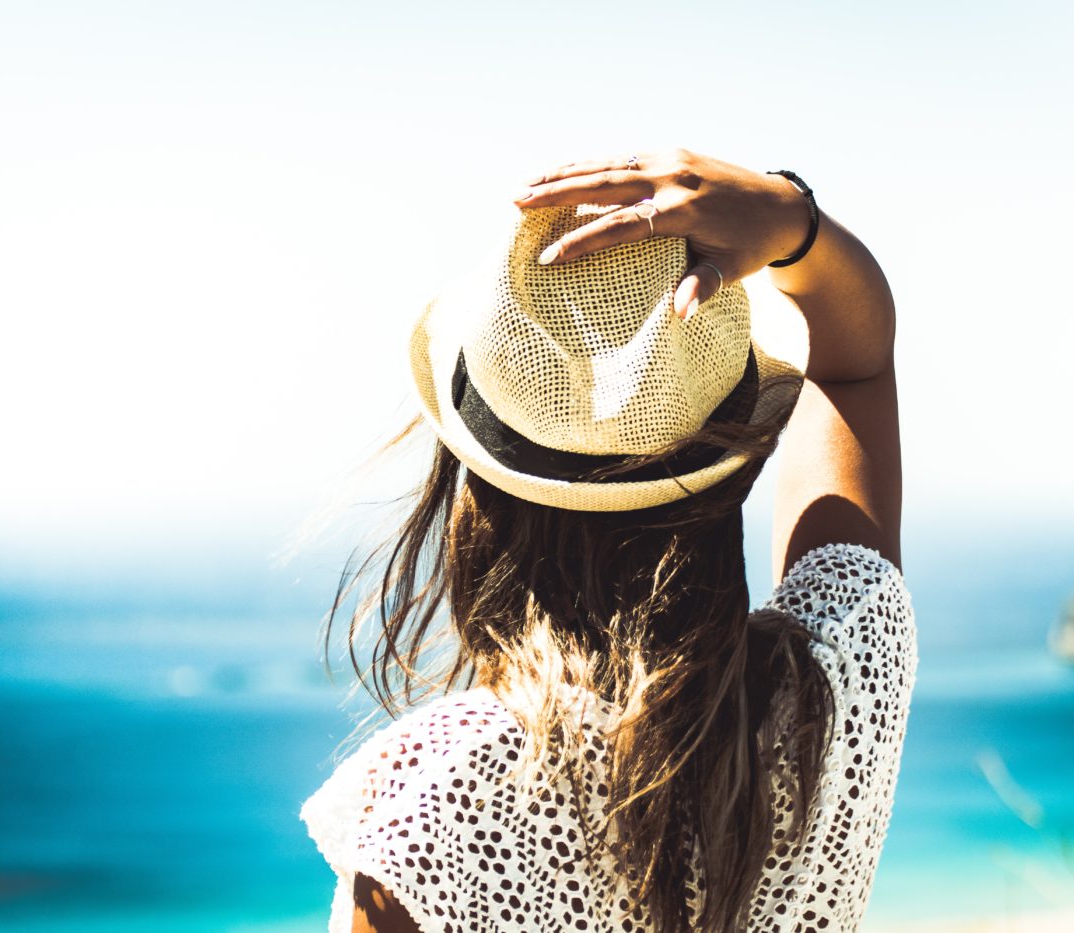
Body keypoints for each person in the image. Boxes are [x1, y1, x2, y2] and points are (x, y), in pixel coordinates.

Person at [301, 148, 915, 933]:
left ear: (476, 491)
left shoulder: (433, 800)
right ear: (728, 467)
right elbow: (856, 366)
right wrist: (795, 222)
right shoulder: (830, 694)